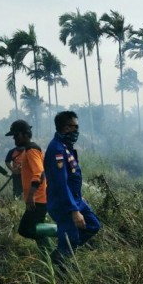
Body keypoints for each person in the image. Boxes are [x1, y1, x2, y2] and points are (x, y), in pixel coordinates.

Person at [44, 111, 101, 267]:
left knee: (93, 225)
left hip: (75, 199)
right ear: (65, 127)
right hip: (63, 203)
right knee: (71, 238)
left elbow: (71, 178)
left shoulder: (66, 147)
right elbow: (60, 183)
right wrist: (73, 210)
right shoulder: (57, 150)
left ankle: (61, 250)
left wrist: (78, 198)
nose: (77, 130)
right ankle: (60, 265)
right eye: (74, 127)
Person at [5, 120, 52, 250]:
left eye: (16, 135)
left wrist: (31, 196)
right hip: (37, 199)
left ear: (26, 134)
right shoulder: (28, 150)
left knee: (26, 229)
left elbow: (39, 173)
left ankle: (61, 233)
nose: (14, 139)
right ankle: (51, 257)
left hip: (37, 199)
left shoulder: (31, 150)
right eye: (13, 136)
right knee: (34, 229)